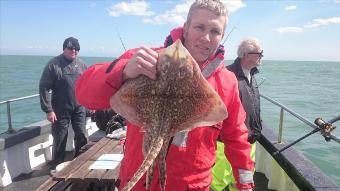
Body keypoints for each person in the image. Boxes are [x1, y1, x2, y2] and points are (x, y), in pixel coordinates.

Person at [75, 0, 254, 190]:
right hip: (139, 184)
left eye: (215, 31)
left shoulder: (226, 82)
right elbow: (84, 95)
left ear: (222, 36)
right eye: (199, 27)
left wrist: (246, 184)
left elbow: (237, 137)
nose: (206, 38)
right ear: (185, 29)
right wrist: (124, 71)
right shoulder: (145, 59)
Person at [211, 38, 263, 191]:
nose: (261, 56)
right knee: (220, 178)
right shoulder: (228, 75)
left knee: (242, 177)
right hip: (227, 141)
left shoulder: (251, 75)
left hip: (250, 138)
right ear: (246, 55)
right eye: (259, 53)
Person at [39, 37, 88, 169]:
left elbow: (87, 85)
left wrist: (90, 104)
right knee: (60, 137)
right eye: (70, 48)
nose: (74, 50)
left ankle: (80, 162)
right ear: (64, 48)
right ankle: (57, 166)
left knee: (82, 134)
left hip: (79, 106)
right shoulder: (53, 64)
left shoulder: (82, 64)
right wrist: (48, 109)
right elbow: (44, 87)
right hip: (60, 107)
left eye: (76, 48)